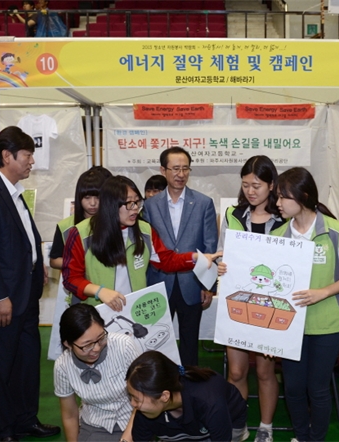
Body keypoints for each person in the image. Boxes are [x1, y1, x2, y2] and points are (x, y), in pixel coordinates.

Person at [0, 126, 60, 442]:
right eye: (27, 155)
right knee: (1, 365)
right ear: (7, 156)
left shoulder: (14, 191)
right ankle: (3, 428)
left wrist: (38, 265)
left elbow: (23, 238)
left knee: (26, 361)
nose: (31, 161)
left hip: (26, 294)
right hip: (6, 299)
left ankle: (26, 419)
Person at [274, 167, 339, 442]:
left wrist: (322, 293)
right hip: (290, 324)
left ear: (303, 196)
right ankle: (301, 436)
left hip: (329, 322)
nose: (278, 203)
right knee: (293, 388)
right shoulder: (278, 236)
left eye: (283, 196)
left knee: (318, 388)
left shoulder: (336, 232)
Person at [62, 175, 219, 311]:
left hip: (135, 310)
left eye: (137, 202)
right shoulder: (81, 233)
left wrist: (195, 257)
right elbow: (71, 278)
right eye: (129, 203)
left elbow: (166, 260)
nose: (135, 209)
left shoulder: (144, 230)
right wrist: (99, 291)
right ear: (111, 205)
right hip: (96, 313)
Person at [217, 155, 286, 442]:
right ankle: (237, 425)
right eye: (245, 185)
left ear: (271, 185)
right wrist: (220, 265)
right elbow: (222, 251)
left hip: (268, 306)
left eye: (256, 185)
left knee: (266, 371)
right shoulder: (233, 215)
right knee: (235, 372)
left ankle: (266, 427)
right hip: (237, 303)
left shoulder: (284, 218)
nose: (250, 191)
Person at [143, 147, 218, 366]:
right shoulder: (150, 205)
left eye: (185, 169)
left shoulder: (203, 203)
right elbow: (147, 247)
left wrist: (208, 286)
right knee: (156, 341)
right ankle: (161, 384)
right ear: (163, 170)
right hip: (158, 282)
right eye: (175, 168)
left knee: (189, 343)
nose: (181, 174)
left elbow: (210, 246)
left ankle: (189, 384)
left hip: (192, 283)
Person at [55, 303, 139, 442]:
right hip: (95, 426)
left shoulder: (124, 346)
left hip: (134, 419)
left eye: (101, 338)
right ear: (68, 344)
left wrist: (127, 437)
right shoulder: (62, 366)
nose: (96, 348)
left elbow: (143, 396)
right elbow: (70, 415)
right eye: (87, 345)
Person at [126, 350, 248, 442]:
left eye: (137, 399)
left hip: (225, 424)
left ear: (164, 396)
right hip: (184, 430)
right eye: (131, 396)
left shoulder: (210, 402)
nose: (132, 404)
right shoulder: (145, 411)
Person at [50, 166, 112, 270]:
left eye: (98, 197)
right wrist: (80, 263)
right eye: (87, 197)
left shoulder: (113, 222)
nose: (93, 203)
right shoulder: (65, 226)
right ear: (79, 197)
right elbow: (54, 260)